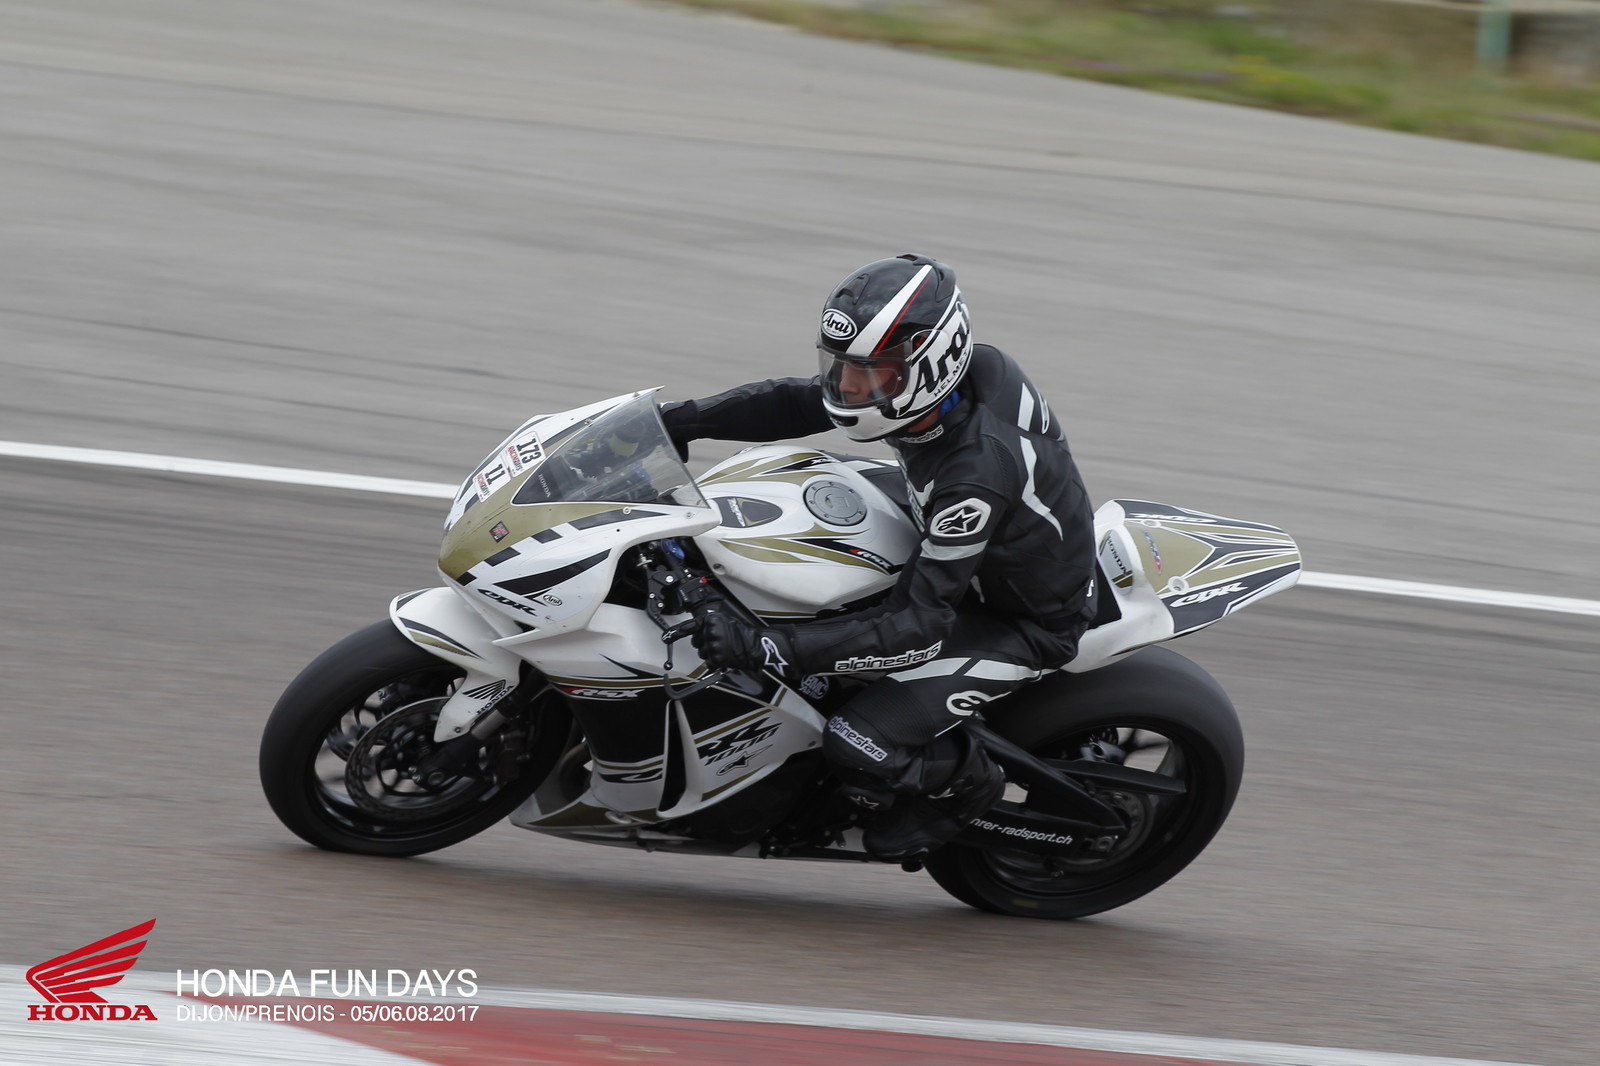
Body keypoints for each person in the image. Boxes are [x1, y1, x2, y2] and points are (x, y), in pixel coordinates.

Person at [663, 253, 1097, 863]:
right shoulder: (941, 387)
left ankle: (963, 785)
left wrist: (763, 647)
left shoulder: (974, 475)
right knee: (775, 497)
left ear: (930, 365)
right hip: (948, 532)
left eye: (870, 374)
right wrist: (682, 421)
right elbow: (797, 403)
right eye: (842, 367)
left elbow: (917, 628)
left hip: (1016, 618)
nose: (848, 387)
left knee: (853, 739)